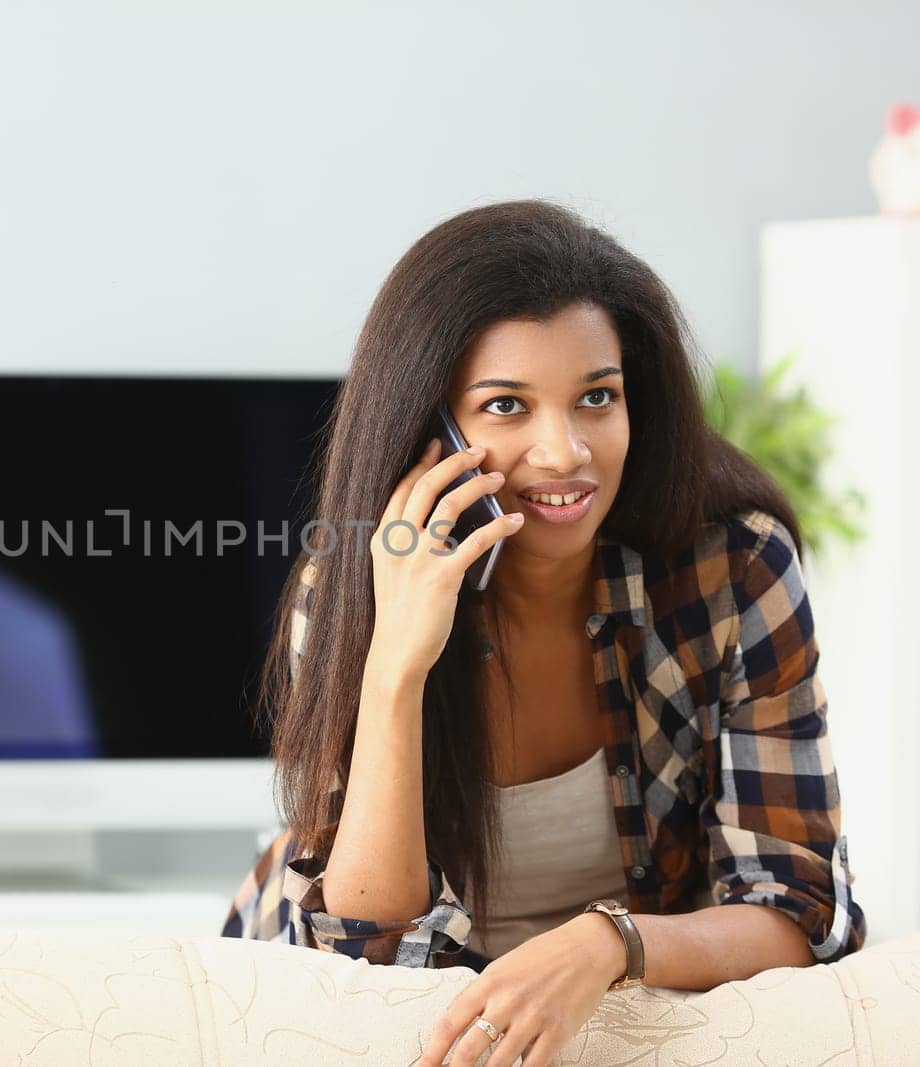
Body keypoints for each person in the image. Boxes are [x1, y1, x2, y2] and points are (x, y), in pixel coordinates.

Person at [219, 199, 865, 1067]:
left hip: (619, 1005)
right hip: (378, 1026)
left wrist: (605, 944)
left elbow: (800, 910)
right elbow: (366, 949)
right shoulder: (343, 596)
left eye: (596, 396)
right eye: (505, 406)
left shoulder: (733, 570)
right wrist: (395, 666)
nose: (564, 452)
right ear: (429, 430)